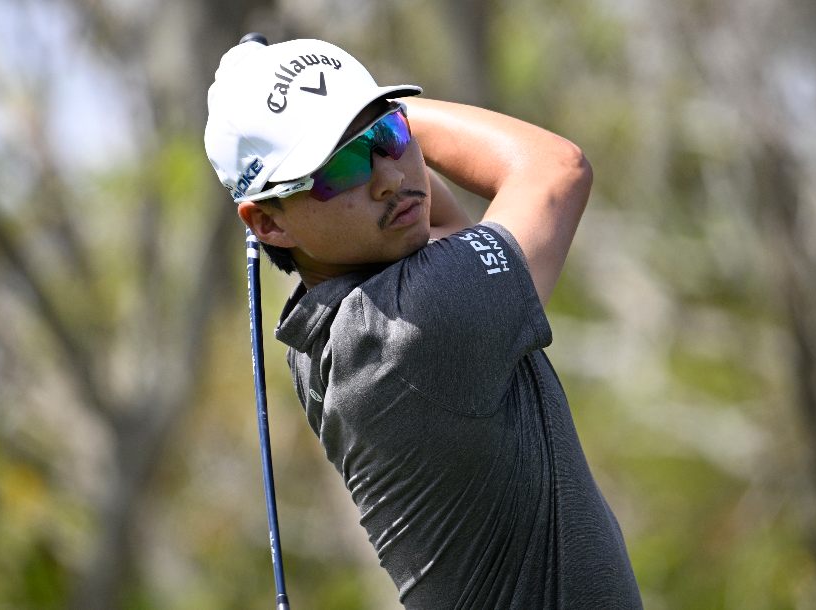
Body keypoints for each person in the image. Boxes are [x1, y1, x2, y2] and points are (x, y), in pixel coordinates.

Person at [205, 37, 642, 609]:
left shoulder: (329, 329)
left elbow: (438, 222)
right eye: (338, 166)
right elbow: (557, 168)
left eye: (391, 139)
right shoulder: (410, 329)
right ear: (268, 223)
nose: (389, 178)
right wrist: (397, 117)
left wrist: (360, 121)